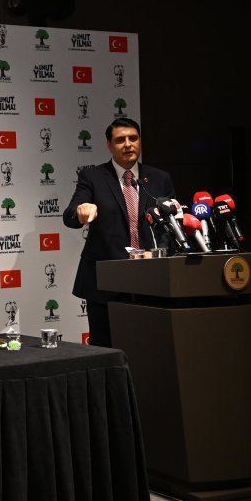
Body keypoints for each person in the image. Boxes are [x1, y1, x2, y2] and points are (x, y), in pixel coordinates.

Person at [63, 117, 175, 348]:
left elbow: (172, 223)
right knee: (106, 349)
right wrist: (81, 211)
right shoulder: (92, 177)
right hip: (106, 283)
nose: (128, 144)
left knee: (150, 347)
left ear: (140, 141)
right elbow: (70, 215)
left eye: (133, 138)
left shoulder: (159, 178)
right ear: (109, 145)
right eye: (120, 140)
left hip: (151, 281)